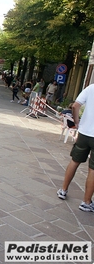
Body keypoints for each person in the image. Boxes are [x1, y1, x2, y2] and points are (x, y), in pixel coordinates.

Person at [56, 84, 94, 212]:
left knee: (74, 161)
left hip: (84, 133)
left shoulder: (91, 88)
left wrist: (77, 122)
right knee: (93, 169)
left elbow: (75, 105)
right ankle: (86, 202)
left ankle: (63, 190)